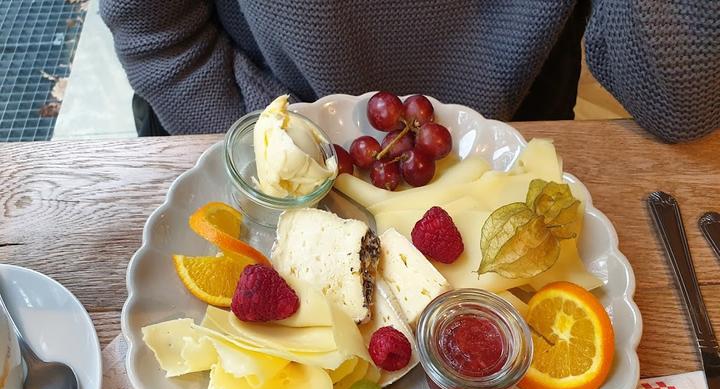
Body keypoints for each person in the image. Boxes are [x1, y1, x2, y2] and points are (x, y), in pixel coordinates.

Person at [100, 0, 719, 143]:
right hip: (254, 120)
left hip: (506, 133)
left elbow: (682, 103)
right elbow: (160, 33)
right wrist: (290, 152)